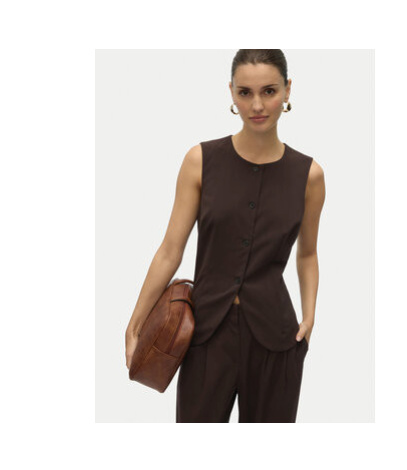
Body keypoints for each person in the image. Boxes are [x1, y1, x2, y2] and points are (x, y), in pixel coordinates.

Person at [125, 49, 325, 422]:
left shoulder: (309, 175)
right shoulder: (200, 161)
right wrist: (136, 321)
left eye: (269, 91)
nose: (257, 105)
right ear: (231, 92)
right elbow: (170, 250)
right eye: (245, 92)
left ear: (287, 90)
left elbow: (308, 253)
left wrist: (310, 317)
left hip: (276, 340)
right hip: (205, 335)